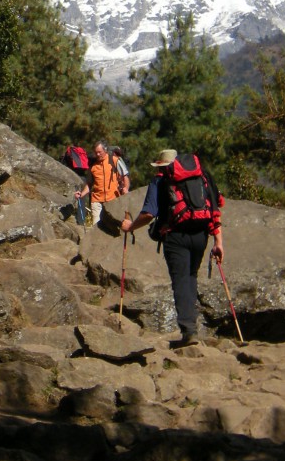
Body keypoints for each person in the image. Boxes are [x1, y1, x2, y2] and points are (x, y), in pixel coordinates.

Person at [120, 148, 224, 347]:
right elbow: (215, 207)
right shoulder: (201, 176)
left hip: (176, 236)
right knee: (191, 277)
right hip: (201, 234)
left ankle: (189, 331)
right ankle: (191, 327)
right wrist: (218, 242)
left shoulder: (160, 180)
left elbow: (149, 214)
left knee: (181, 280)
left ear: (161, 165)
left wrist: (130, 227)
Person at [74, 141, 130, 227]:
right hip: (97, 201)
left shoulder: (114, 160)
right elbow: (89, 184)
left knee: (113, 227)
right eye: (96, 152)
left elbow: (125, 176)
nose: (98, 154)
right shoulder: (93, 165)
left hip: (112, 199)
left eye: (99, 152)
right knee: (96, 227)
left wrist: (126, 188)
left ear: (105, 150)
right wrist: (81, 194)